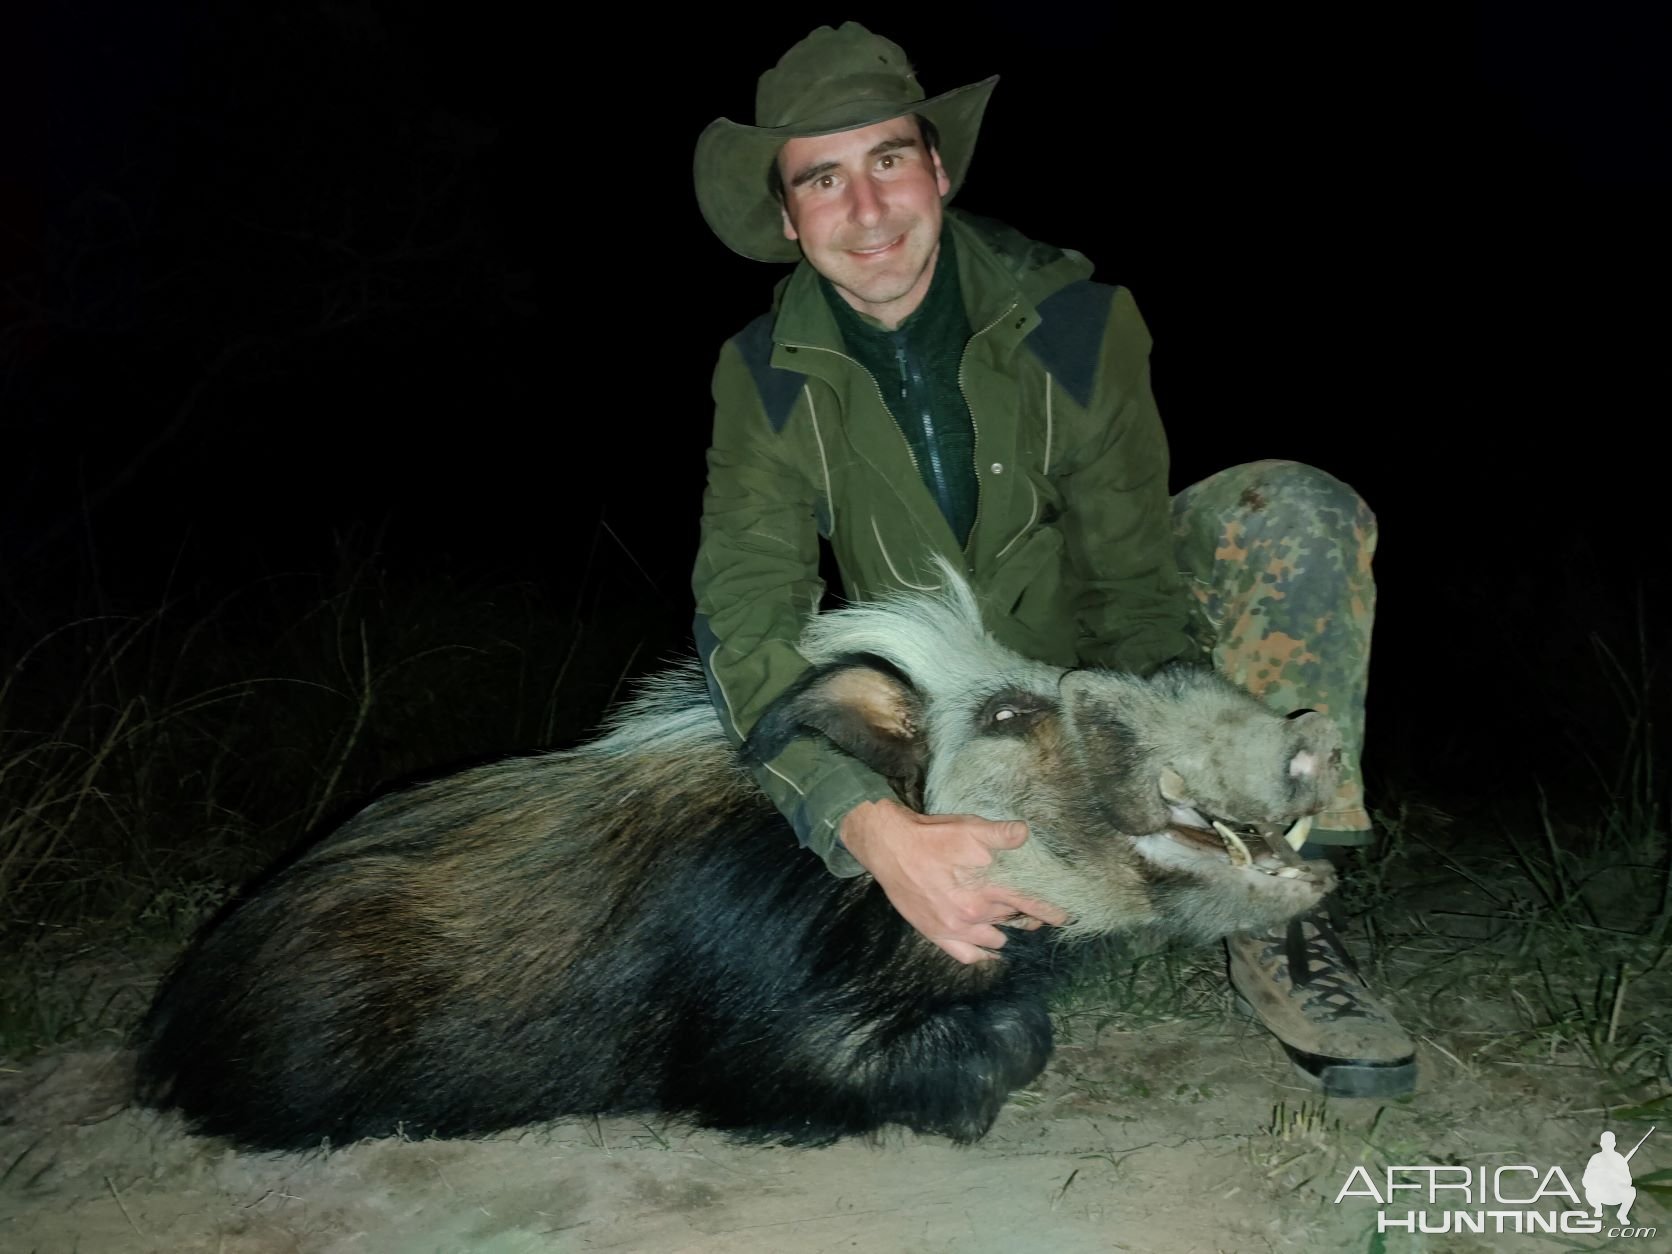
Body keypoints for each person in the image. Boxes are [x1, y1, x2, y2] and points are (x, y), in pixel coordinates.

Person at [691, 21, 1415, 1097]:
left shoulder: (1074, 321)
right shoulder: (762, 374)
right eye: (823, 179)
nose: (866, 208)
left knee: (1285, 510)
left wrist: (1180, 742)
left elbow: (1135, 589)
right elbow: (744, 609)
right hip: (954, 700)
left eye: (888, 159)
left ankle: (1274, 913)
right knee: (777, 761)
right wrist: (866, 821)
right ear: (790, 216)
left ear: (935, 167)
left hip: (1097, 678)